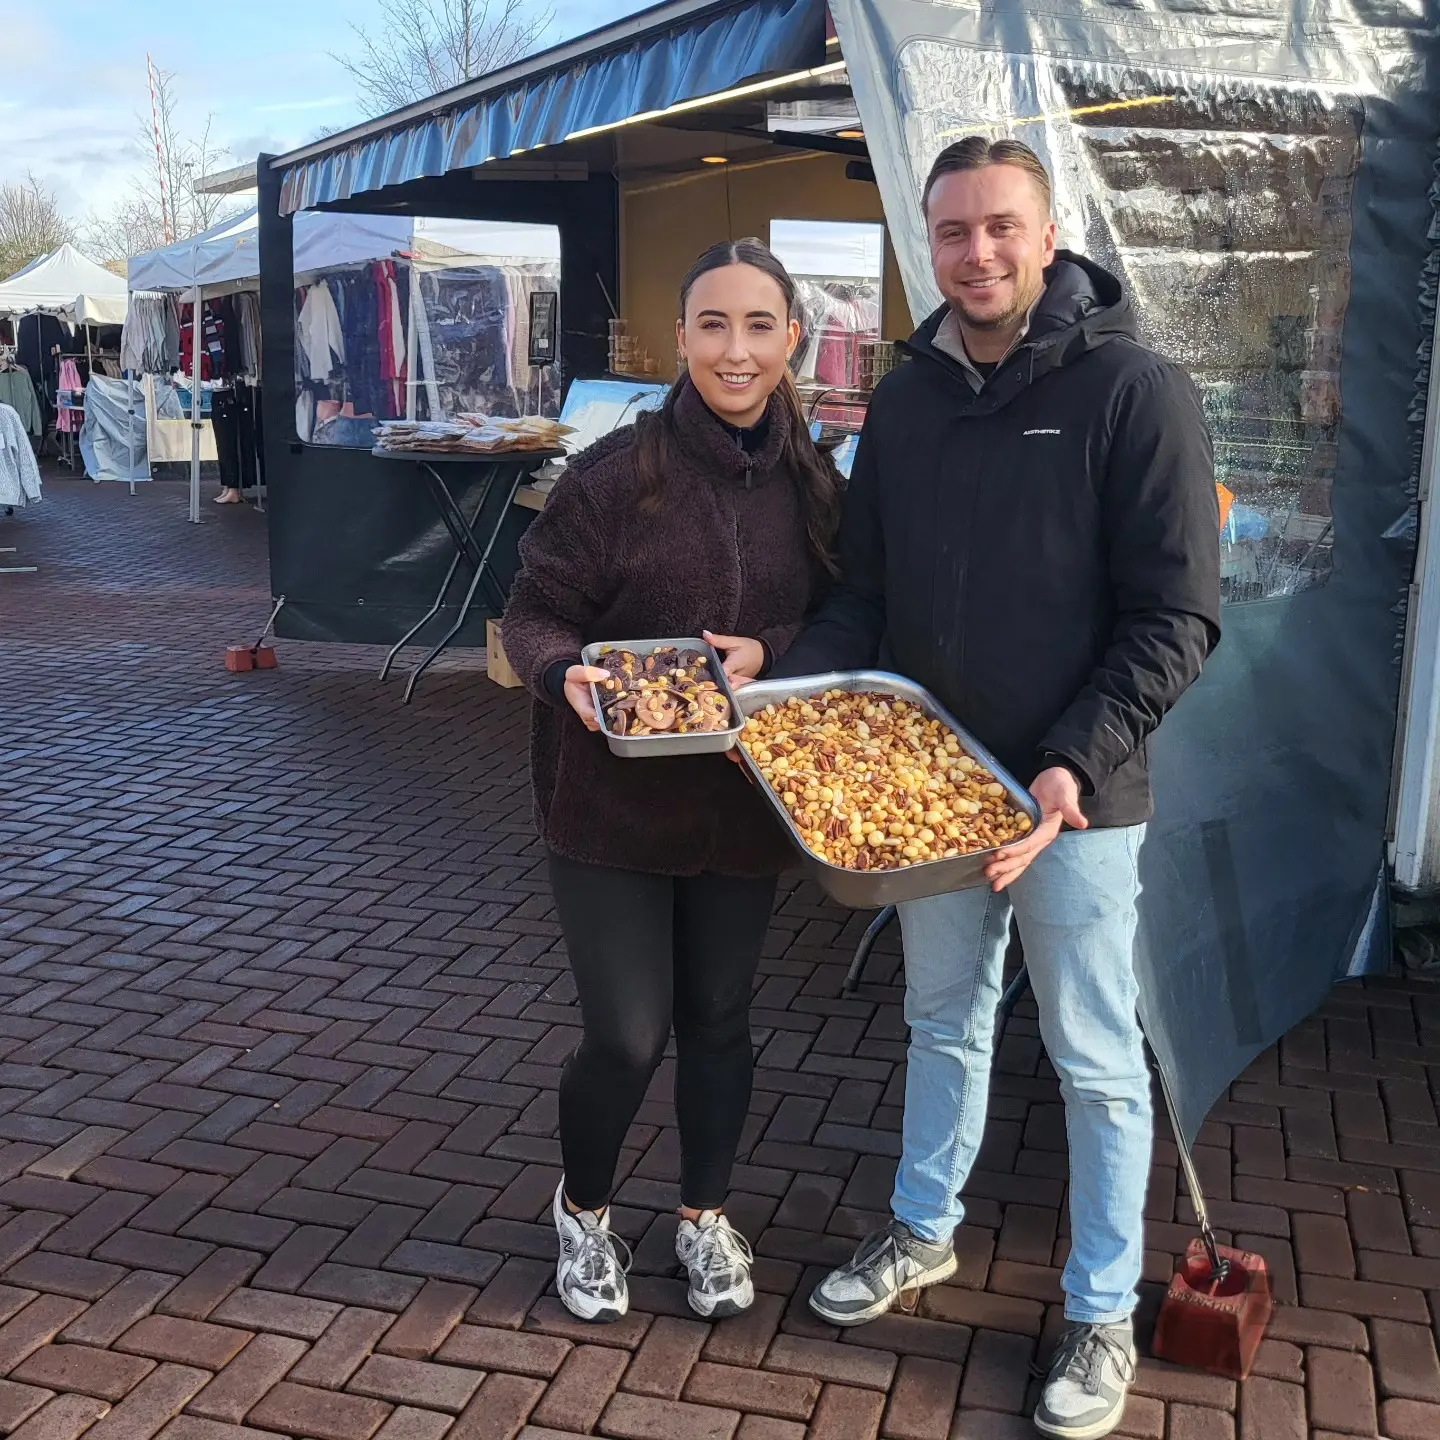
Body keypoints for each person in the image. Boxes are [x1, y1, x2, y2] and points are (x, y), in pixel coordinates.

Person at [737, 138, 1221, 1439]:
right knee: (941, 1019)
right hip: (934, 796)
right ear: (928, 248)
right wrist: (781, 698)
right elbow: (867, 601)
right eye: (951, 233)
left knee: (1095, 1057)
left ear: (1049, 234)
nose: (977, 254)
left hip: (1079, 796)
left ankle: (1104, 1304)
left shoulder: (1136, 394)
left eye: (1001, 227)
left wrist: (1068, 764)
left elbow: (1175, 619)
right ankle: (922, 1228)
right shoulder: (907, 404)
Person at [500, 239, 840, 1325]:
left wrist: (770, 652)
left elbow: (844, 616)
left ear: (792, 340)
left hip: (741, 804)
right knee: (628, 1034)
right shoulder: (620, 472)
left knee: (723, 1020)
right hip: (609, 801)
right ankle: (586, 1211)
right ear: (682, 338)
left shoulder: (816, 484)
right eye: (711, 325)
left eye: (757, 326)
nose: (734, 351)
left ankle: (702, 1216)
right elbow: (534, 610)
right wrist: (566, 678)